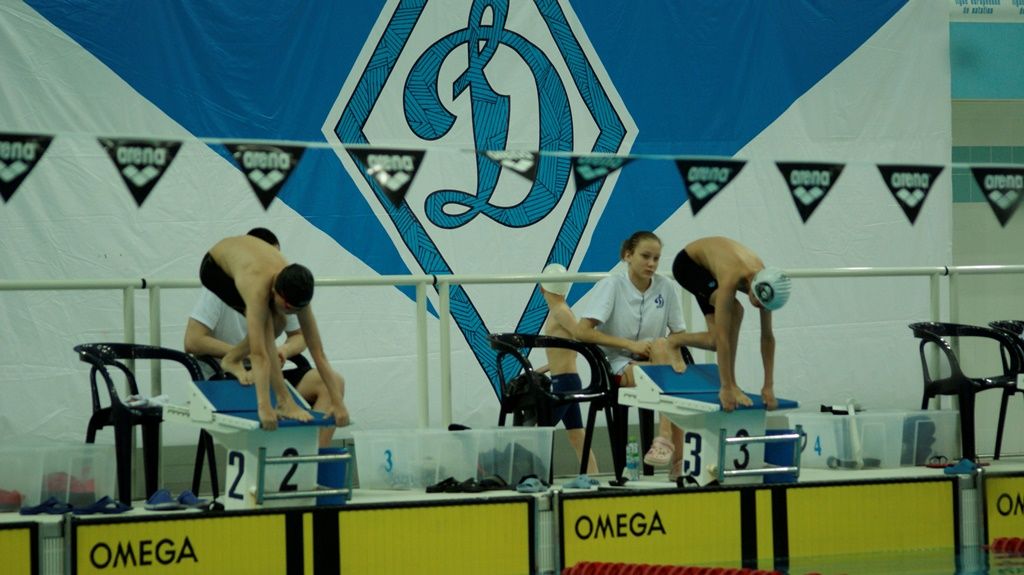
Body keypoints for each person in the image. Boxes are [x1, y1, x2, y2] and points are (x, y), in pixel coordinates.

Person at [185, 228, 349, 446]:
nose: (290, 312)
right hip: (213, 269)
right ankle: (281, 399)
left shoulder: (296, 290)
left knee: (278, 323)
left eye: (295, 310)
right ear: (274, 292)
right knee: (270, 324)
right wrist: (266, 407)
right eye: (286, 307)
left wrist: (338, 403)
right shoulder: (256, 287)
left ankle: (311, 461)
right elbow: (259, 354)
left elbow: (318, 352)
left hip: (258, 359)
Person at [573, 231, 689, 479]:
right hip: (617, 364)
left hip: (656, 361)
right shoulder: (612, 285)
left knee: (663, 348)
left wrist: (667, 352)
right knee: (673, 381)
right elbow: (582, 331)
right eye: (645, 256)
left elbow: (679, 334)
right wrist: (629, 344)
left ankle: (670, 447)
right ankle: (673, 452)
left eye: (656, 258)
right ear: (628, 255)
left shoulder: (666, 287)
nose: (651, 264)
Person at [667, 236, 792, 412]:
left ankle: (675, 340)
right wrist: (726, 387)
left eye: (764, 306)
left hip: (712, 267)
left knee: (713, 342)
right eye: (757, 300)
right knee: (735, 310)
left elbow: (767, 337)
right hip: (688, 264)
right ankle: (732, 384)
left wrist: (768, 386)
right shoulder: (732, 275)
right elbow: (724, 336)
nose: (759, 307)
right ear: (753, 284)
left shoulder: (768, 286)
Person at [538, 264, 599, 475]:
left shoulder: (560, 312)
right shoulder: (558, 311)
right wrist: (541, 370)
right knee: (576, 436)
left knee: (539, 431)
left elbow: (581, 335)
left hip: (565, 382)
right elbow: (565, 350)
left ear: (542, 288)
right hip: (564, 379)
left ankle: (532, 474)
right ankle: (593, 477)